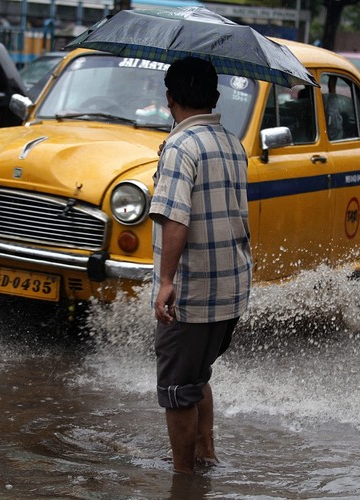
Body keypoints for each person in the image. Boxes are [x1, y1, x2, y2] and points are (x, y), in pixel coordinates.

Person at [150, 56, 252, 474]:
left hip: (193, 289)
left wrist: (166, 281)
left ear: (170, 98)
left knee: (176, 388)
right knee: (196, 375)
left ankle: (183, 477)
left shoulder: (180, 146)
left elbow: (176, 217)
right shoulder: (231, 141)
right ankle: (205, 455)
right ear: (214, 97)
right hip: (231, 287)